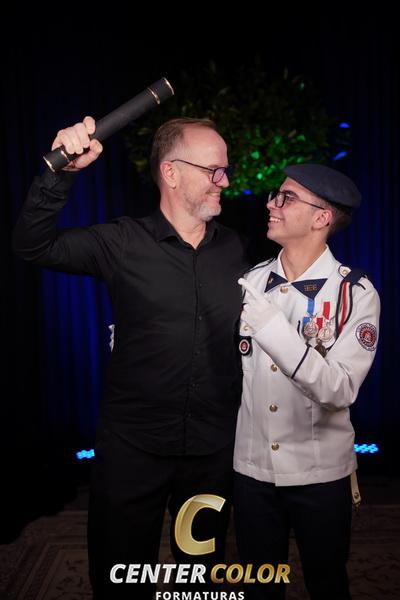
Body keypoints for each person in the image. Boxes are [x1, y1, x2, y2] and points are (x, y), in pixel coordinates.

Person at [13, 116, 249, 598]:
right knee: (120, 577)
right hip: (132, 452)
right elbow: (32, 245)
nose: (224, 181)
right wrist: (60, 173)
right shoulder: (121, 242)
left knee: (199, 578)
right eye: (213, 170)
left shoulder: (236, 248)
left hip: (210, 452)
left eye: (225, 170)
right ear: (171, 172)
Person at [233, 163, 380, 600]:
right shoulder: (250, 282)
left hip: (321, 473)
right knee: (260, 587)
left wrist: (275, 331)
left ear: (321, 218)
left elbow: (340, 389)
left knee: (327, 584)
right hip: (253, 470)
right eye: (275, 194)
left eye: (287, 197)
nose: (271, 204)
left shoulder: (354, 293)